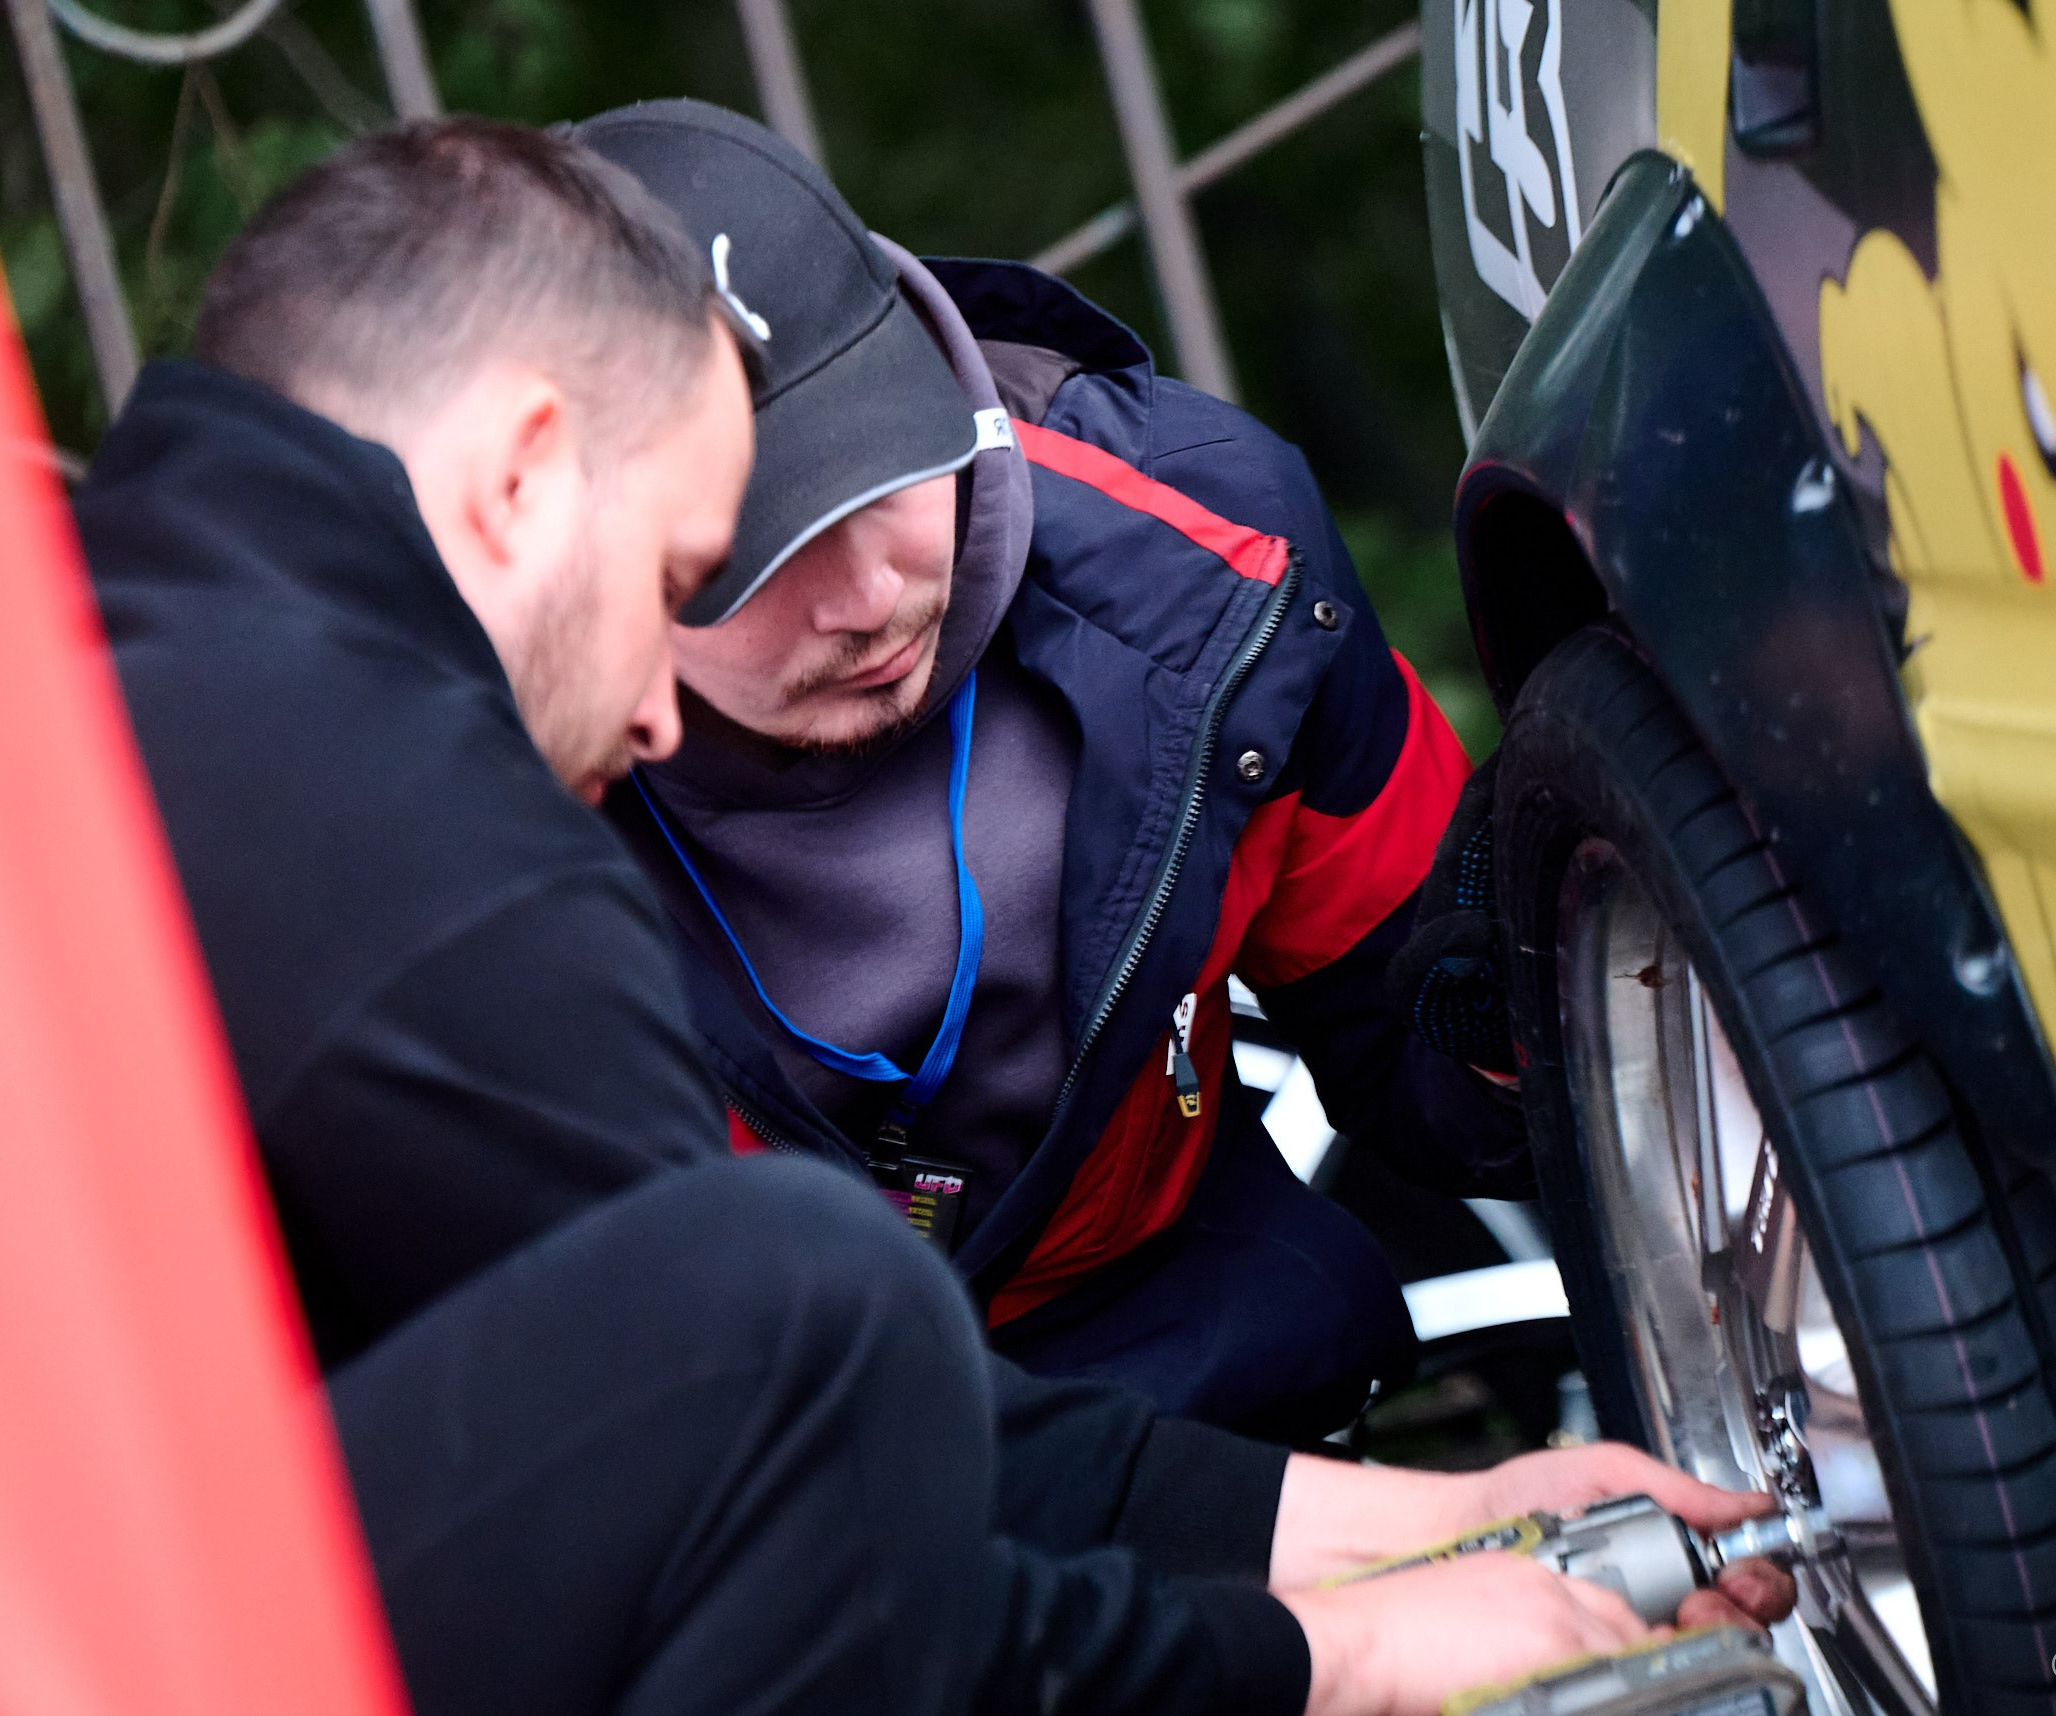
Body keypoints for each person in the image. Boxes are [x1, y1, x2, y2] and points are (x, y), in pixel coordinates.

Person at [77, 118, 1790, 1716]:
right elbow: (827, 1545)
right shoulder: (441, 852)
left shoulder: (87, 665)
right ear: (526, 473)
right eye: (700, 580)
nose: (653, 714)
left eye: (888, 481)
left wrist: (1427, 1525)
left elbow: (712, 1432)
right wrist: (1341, 1656)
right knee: (811, 1292)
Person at [569, 100, 1527, 1439]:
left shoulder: (1213, 559)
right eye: (755, 554)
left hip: (1188, 1337)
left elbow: (1419, 1027)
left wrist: (1535, 1011)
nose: (864, 599)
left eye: (880, 477)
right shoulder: (469, 830)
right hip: (769, 1450)